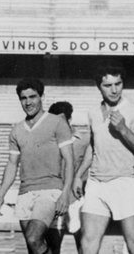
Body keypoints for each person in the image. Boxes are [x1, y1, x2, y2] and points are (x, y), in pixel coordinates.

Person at [73, 65, 134, 254]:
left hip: (124, 182)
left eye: (118, 84)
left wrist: (124, 129)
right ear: (99, 87)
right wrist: (78, 175)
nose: (114, 90)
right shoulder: (93, 113)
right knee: (87, 242)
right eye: (108, 85)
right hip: (96, 183)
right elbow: (94, 147)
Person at [0, 78, 75, 254]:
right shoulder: (16, 130)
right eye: (23, 98)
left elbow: (69, 160)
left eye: (33, 96)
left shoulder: (56, 122)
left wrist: (65, 193)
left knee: (33, 237)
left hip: (50, 191)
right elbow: (12, 164)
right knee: (33, 248)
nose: (28, 102)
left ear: (41, 96)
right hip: (24, 193)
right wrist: (1, 194)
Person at [45, 101, 88, 254]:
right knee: (53, 245)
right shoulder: (48, 142)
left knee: (84, 245)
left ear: (69, 120)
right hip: (55, 198)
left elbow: (89, 165)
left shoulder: (83, 141)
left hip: (77, 199)